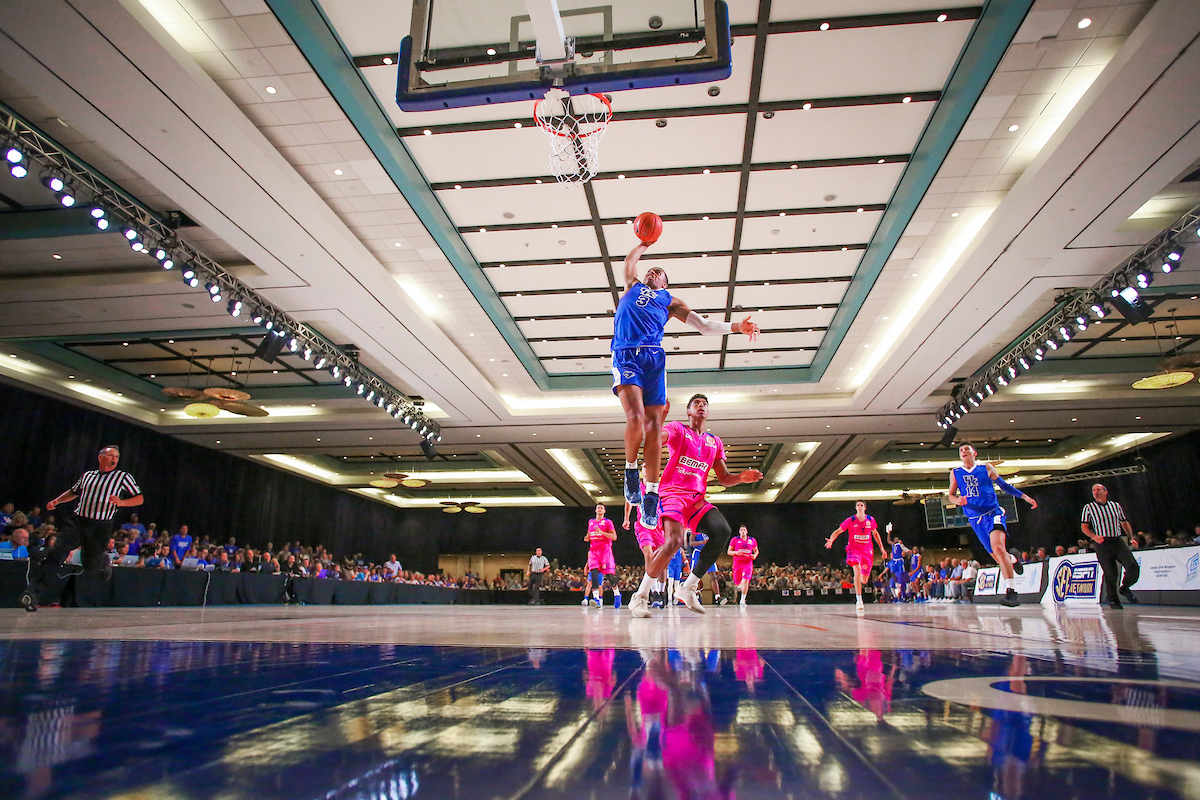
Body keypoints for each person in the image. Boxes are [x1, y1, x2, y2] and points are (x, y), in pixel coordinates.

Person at [612, 238, 759, 528]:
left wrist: (736, 327)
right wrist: (645, 242)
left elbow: (703, 325)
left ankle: (651, 495)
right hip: (626, 354)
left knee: (653, 427)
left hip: (654, 358)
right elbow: (629, 262)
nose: (651, 273)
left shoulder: (671, 302)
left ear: (665, 284)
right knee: (636, 417)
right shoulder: (632, 287)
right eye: (650, 271)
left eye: (658, 273)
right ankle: (631, 471)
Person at [629, 394, 763, 617]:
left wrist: (741, 477)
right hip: (672, 493)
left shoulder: (714, 442)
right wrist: (659, 420)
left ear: (708, 412)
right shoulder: (678, 430)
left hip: (696, 500)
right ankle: (640, 596)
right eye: (696, 404)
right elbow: (656, 440)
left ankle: (688, 587)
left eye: (705, 405)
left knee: (722, 531)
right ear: (689, 412)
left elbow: (724, 478)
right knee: (674, 541)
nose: (701, 407)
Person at [22, 445, 143, 612]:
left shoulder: (122, 477)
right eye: (110, 455)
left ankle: (103, 561)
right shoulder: (88, 475)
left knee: (90, 565)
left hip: (99, 526)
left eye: (117, 456)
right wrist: (57, 501)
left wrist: (122, 502)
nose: (114, 459)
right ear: (101, 457)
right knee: (56, 553)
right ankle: (32, 592)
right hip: (78, 521)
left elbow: (139, 498)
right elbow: (74, 492)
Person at [949, 444, 1037, 607]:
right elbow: (950, 495)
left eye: (966, 449)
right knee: (998, 556)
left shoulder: (985, 467)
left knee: (998, 548)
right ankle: (1013, 558)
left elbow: (1004, 486)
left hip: (993, 514)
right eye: (961, 451)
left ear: (974, 453)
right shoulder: (955, 473)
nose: (963, 452)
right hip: (975, 519)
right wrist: (957, 500)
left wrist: (1024, 497)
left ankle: (1011, 591)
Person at [1081, 483, 1140, 609]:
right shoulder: (1089, 507)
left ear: (1105, 491)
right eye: (1093, 490)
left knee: (1132, 566)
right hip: (1102, 543)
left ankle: (1124, 587)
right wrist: (1094, 536)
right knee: (1110, 572)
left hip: (1117, 540)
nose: (1095, 492)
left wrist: (1131, 538)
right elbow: (1084, 526)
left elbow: (1124, 522)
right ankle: (1113, 599)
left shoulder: (1115, 506)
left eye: (1098, 490)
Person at [824, 500, 886, 612]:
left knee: (864, 580)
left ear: (865, 508)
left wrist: (882, 548)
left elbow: (875, 534)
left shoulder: (870, 520)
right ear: (856, 508)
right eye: (858, 505)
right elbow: (838, 531)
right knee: (856, 569)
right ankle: (859, 600)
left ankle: (862, 577)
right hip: (854, 550)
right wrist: (831, 540)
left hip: (867, 551)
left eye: (862, 505)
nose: (860, 506)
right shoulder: (850, 520)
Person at [582, 504, 621, 608]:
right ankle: (596, 599)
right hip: (594, 550)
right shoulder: (591, 522)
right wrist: (587, 537)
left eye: (601, 508)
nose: (599, 509)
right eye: (598, 507)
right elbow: (589, 534)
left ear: (604, 511)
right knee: (593, 573)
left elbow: (614, 537)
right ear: (595, 510)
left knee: (609, 575)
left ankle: (617, 594)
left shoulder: (608, 522)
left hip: (605, 550)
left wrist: (602, 532)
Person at [689, 529, 721, 604]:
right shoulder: (694, 530)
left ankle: (717, 597)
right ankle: (695, 595)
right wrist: (702, 542)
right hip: (698, 553)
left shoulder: (709, 529)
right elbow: (691, 543)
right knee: (695, 576)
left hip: (708, 553)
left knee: (713, 576)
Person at [728, 525, 758, 606]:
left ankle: (742, 600)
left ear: (747, 531)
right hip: (737, 563)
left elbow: (756, 551)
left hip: (748, 563)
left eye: (744, 530)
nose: (743, 531)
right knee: (738, 583)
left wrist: (754, 556)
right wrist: (736, 552)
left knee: (745, 580)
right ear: (739, 532)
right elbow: (729, 552)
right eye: (741, 530)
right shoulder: (735, 539)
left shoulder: (752, 540)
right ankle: (739, 586)